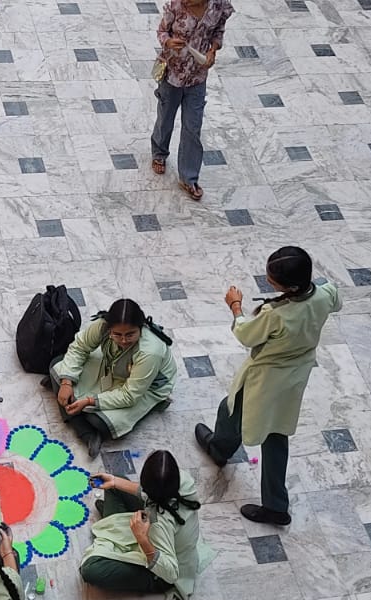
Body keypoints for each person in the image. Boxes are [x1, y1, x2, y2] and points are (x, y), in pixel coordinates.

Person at [194, 246, 340, 526]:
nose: (268, 281)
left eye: (272, 280)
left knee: (233, 409)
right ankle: (274, 503)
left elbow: (246, 335)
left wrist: (235, 306)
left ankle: (221, 450)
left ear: (289, 286)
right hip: (296, 374)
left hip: (266, 378)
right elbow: (334, 298)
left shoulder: (275, 314)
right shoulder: (324, 293)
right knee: (276, 432)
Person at [46, 299, 178, 457]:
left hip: (144, 387)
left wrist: (89, 401)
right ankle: (81, 420)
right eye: (117, 334)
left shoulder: (150, 352)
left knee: (99, 421)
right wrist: (67, 383)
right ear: (109, 328)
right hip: (113, 367)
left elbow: (129, 395)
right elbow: (79, 347)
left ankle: (85, 431)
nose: (123, 341)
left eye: (130, 334)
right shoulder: (102, 326)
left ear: (141, 328)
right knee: (57, 365)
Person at [79, 451, 203, 600]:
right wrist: (114, 481)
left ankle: (110, 524)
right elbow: (149, 492)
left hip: (161, 574)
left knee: (90, 570)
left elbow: (171, 574)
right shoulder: (183, 479)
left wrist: (142, 538)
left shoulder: (159, 524)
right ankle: (111, 516)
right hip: (158, 522)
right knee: (115, 482)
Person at [151, 0, 234, 201]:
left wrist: (212, 51)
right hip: (172, 74)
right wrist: (168, 42)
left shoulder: (218, 6)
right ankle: (159, 153)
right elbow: (162, 31)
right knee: (166, 117)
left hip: (197, 77)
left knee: (192, 126)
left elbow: (218, 31)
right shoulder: (176, 5)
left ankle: (188, 177)